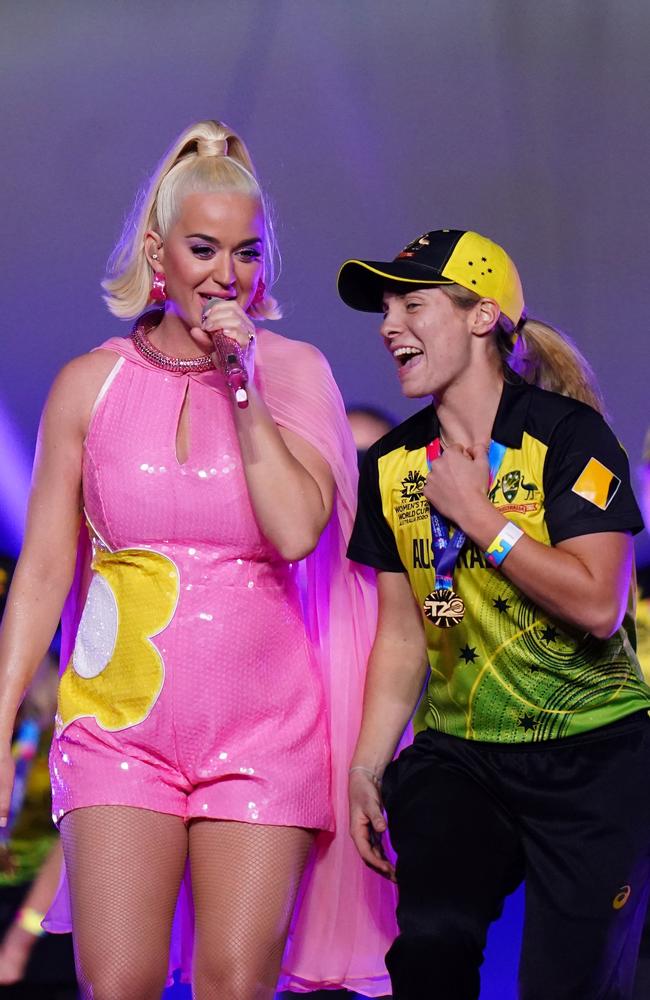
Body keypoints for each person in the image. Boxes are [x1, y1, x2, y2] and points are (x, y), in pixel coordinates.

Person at [0, 120, 397, 1000]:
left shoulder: (295, 374)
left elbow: (297, 531)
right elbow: (40, 572)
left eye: (247, 254)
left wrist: (245, 379)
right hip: (116, 725)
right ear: (158, 253)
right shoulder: (87, 384)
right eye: (205, 249)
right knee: (123, 982)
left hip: (265, 730)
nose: (228, 274)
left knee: (230, 984)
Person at [339, 228, 650, 1000]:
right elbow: (407, 631)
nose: (389, 325)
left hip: (594, 756)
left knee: (570, 986)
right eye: (385, 307)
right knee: (432, 949)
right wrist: (368, 764)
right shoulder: (392, 467)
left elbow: (600, 603)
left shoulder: (569, 436)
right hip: (462, 755)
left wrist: (482, 520)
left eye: (413, 303)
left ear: (482, 317)